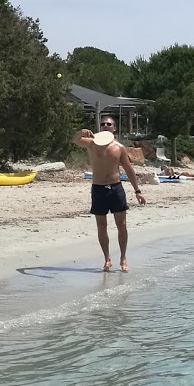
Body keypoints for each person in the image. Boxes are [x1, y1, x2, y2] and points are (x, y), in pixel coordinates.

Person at [74, 116, 146, 271]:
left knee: (121, 224)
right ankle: (107, 259)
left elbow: (129, 169)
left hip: (115, 188)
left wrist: (138, 191)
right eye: (103, 124)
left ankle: (123, 258)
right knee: (101, 225)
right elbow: (75, 140)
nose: (105, 126)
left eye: (109, 124)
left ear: (114, 128)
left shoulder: (119, 147)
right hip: (98, 188)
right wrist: (81, 132)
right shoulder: (92, 143)